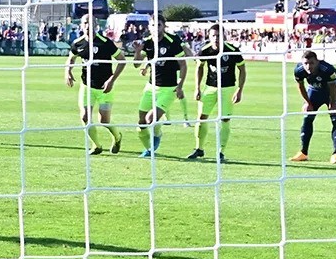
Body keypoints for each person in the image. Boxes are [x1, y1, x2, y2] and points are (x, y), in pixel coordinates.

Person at [132, 14, 192, 157]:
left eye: (158, 25)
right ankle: (149, 149)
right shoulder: (147, 42)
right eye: (153, 25)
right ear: (149, 27)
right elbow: (135, 64)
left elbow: (183, 64)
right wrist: (138, 51)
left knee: (150, 119)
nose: (155, 28)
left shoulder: (172, 42)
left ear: (163, 26)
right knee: (141, 123)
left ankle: (157, 135)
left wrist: (180, 85)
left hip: (168, 88)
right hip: (151, 86)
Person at [65, 14, 125, 155]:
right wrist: (67, 71)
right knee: (85, 117)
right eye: (85, 23)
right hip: (87, 86)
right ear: (81, 25)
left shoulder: (105, 43)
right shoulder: (78, 43)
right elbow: (71, 58)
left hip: (105, 88)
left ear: (96, 25)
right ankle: (96, 145)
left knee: (104, 120)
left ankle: (117, 136)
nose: (87, 26)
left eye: (91, 23)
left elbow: (121, 60)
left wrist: (111, 80)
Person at [189, 24, 245, 162]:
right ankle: (199, 148)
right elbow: (199, 67)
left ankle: (221, 152)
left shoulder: (232, 51)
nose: (216, 38)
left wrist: (239, 89)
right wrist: (197, 87)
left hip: (228, 88)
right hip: (210, 87)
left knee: (225, 120)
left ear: (224, 36)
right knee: (201, 118)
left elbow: (242, 69)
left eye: (219, 36)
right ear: (209, 36)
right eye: (213, 35)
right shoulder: (205, 51)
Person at [290, 50, 336, 164]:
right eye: (306, 63)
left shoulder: (327, 69)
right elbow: (300, 86)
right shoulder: (299, 70)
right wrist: (307, 102)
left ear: (317, 62)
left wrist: (332, 103)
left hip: (332, 90)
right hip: (314, 90)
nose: (308, 66)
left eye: (312, 63)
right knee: (307, 118)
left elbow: (333, 86)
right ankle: (303, 153)